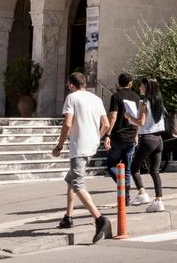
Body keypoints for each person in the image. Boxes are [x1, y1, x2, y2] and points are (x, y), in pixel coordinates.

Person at [51, 72, 113, 242]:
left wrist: (59, 145)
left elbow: (67, 123)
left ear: (71, 85)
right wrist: (96, 137)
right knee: (72, 179)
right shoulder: (96, 99)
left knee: (78, 183)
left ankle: (100, 219)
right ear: (84, 84)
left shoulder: (72, 98)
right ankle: (68, 217)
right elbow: (106, 124)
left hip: (79, 147)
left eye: (68, 85)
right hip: (92, 146)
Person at [130, 78, 166, 212]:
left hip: (148, 138)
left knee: (134, 167)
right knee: (154, 171)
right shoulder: (159, 103)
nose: (139, 88)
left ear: (147, 88)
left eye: (142, 86)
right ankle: (159, 201)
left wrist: (129, 116)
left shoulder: (145, 102)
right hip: (159, 139)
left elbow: (141, 122)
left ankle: (142, 193)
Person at [106, 72, 143, 205]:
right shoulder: (136, 97)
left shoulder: (116, 96)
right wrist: (136, 134)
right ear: (131, 83)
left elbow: (113, 116)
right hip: (131, 136)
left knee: (111, 165)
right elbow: (138, 118)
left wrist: (108, 134)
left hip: (118, 136)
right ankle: (126, 196)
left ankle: (123, 186)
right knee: (127, 168)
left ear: (119, 83)